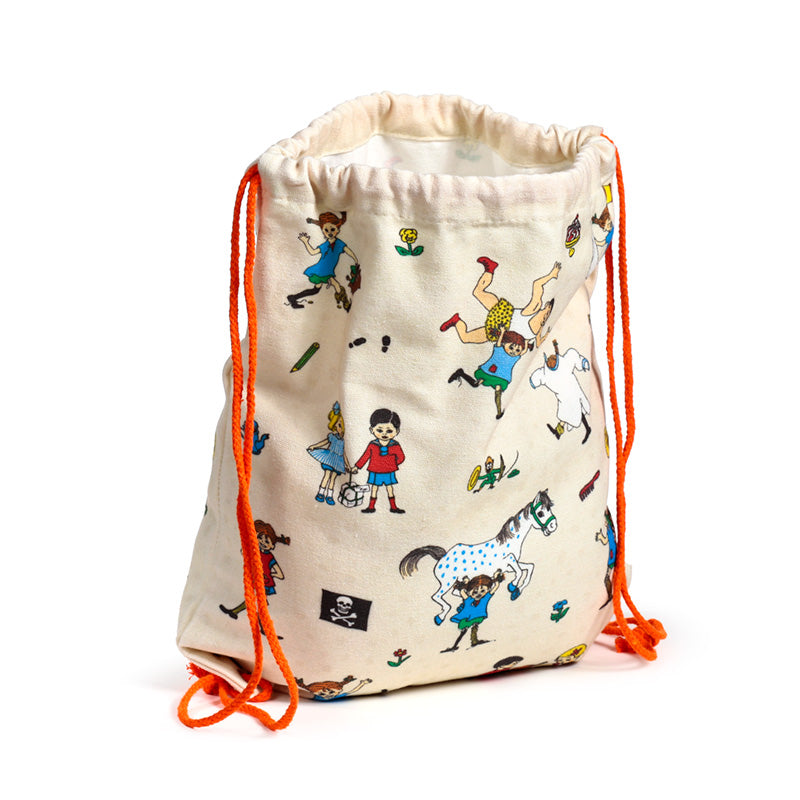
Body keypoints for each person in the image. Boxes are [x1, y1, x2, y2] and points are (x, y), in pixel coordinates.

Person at [288, 211, 359, 310]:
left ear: (338, 230)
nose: (329, 233)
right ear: (323, 231)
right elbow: (313, 252)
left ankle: (293, 298)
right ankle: (345, 304)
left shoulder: (339, 244)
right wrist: (306, 242)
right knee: (336, 285)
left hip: (326, 270)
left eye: (332, 229)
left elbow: (348, 251)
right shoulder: (325, 244)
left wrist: (355, 259)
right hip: (322, 270)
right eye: (326, 230)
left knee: (316, 290)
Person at [353, 408, 406, 514]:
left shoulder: (395, 445)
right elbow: (365, 456)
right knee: (374, 489)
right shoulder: (373, 445)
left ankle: (393, 507)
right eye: (380, 430)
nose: (384, 434)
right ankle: (371, 507)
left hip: (388, 471)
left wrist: (392, 464)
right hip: (375, 470)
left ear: (397, 431)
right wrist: (357, 467)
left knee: (389, 489)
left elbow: (401, 457)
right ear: (372, 430)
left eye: (389, 431)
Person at [441, 570, 504, 652]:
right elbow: (462, 591)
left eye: (482, 591)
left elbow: (495, 587)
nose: (479, 594)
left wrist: (496, 577)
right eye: (475, 592)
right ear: (469, 592)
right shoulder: (469, 600)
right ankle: (454, 646)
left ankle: (474, 641)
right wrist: (465, 582)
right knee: (463, 631)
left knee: (475, 627)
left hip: (478, 616)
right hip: (467, 618)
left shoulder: (485, 598)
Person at [306, 402, 352, 506]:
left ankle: (330, 495)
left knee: (333, 479)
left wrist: (348, 465)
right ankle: (321, 493)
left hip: (338, 461)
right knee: (327, 476)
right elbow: (324, 442)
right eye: (338, 425)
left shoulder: (342, 441)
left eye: (341, 425)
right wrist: (315, 446)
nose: (339, 428)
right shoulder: (332, 436)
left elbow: (344, 454)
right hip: (330, 457)